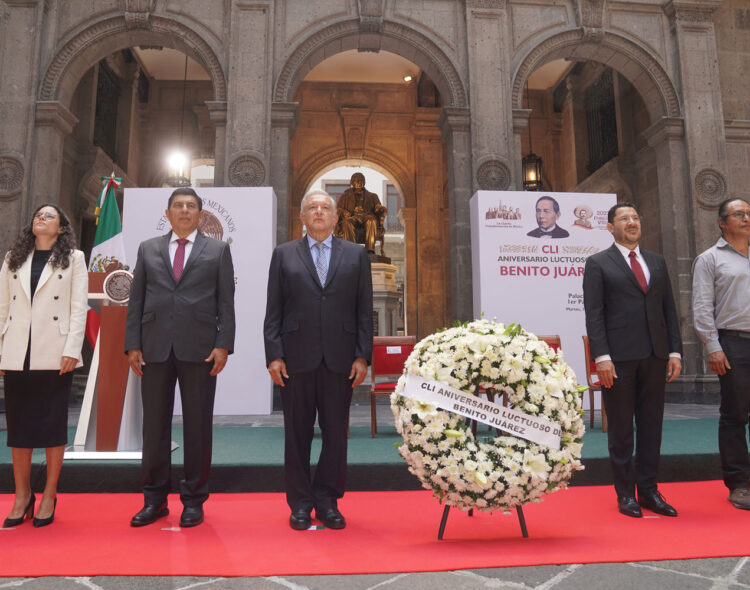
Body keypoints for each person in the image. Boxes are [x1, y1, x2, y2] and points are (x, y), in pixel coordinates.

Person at [125, 187, 235, 528]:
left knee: (198, 427)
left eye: (190, 206)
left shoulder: (217, 250)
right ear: (168, 213)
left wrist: (223, 345)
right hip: (154, 347)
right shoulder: (148, 248)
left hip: (201, 349)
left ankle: (193, 501)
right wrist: (133, 345)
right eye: (178, 206)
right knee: (154, 427)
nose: (184, 211)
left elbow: (226, 303)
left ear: (200, 215)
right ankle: (154, 499)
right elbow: (137, 300)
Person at [264, 189, 373, 531]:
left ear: (336, 217)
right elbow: (274, 311)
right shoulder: (283, 255)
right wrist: (274, 355)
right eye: (312, 207)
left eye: (325, 208)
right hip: (295, 359)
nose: (319, 212)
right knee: (296, 435)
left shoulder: (356, 255)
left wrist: (362, 355)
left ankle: (327, 500)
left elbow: (363, 312)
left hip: (340, 360)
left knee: (335, 435)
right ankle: (300, 503)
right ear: (302, 217)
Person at [583, 202, 682, 518]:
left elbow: (669, 309)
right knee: (622, 429)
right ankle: (626, 494)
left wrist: (675, 351)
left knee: (652, 427)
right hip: (618, 359)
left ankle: (650, 491)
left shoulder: (657, 261)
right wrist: (601, 357)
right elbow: (594, 314)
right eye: (624, 218)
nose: (632, 222)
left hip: (655, 355)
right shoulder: (598, 263)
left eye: (636, 217)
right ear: (610, 227)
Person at [0, 204, 88, 528]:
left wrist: (72, 348)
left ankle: (49, 493)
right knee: (19, 428)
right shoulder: (14, 257)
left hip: (55, 351)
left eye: (50, 216)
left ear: (62, 228)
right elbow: (1, 305)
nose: (42, 218)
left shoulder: (74, 258)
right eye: (39, 214)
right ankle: (21, 495)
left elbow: (79, 308)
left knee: (52, 425)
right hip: (17, 349)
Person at [692, 198, 750, 510]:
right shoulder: (709, 259)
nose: (746, 218)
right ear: (722, 223)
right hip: (733, 343)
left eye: (749, 213)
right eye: (739, 214)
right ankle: (739, 483)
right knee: (735, 414)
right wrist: (712, 346)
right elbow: (702, 307)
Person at [335, 172, 387, 255]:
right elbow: (337, 209)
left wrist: (380, 208)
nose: (359, 182)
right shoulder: (345, 196)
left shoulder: (372, 196)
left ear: (364, 182)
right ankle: (350, 250)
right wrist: (344, 212)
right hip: (352, 216)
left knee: (371, 220)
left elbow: (378, 206)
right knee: (347, 222)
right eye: (357, 180)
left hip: (366, 215)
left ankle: (370, 250)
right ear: (352, 182)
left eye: (361, 180)